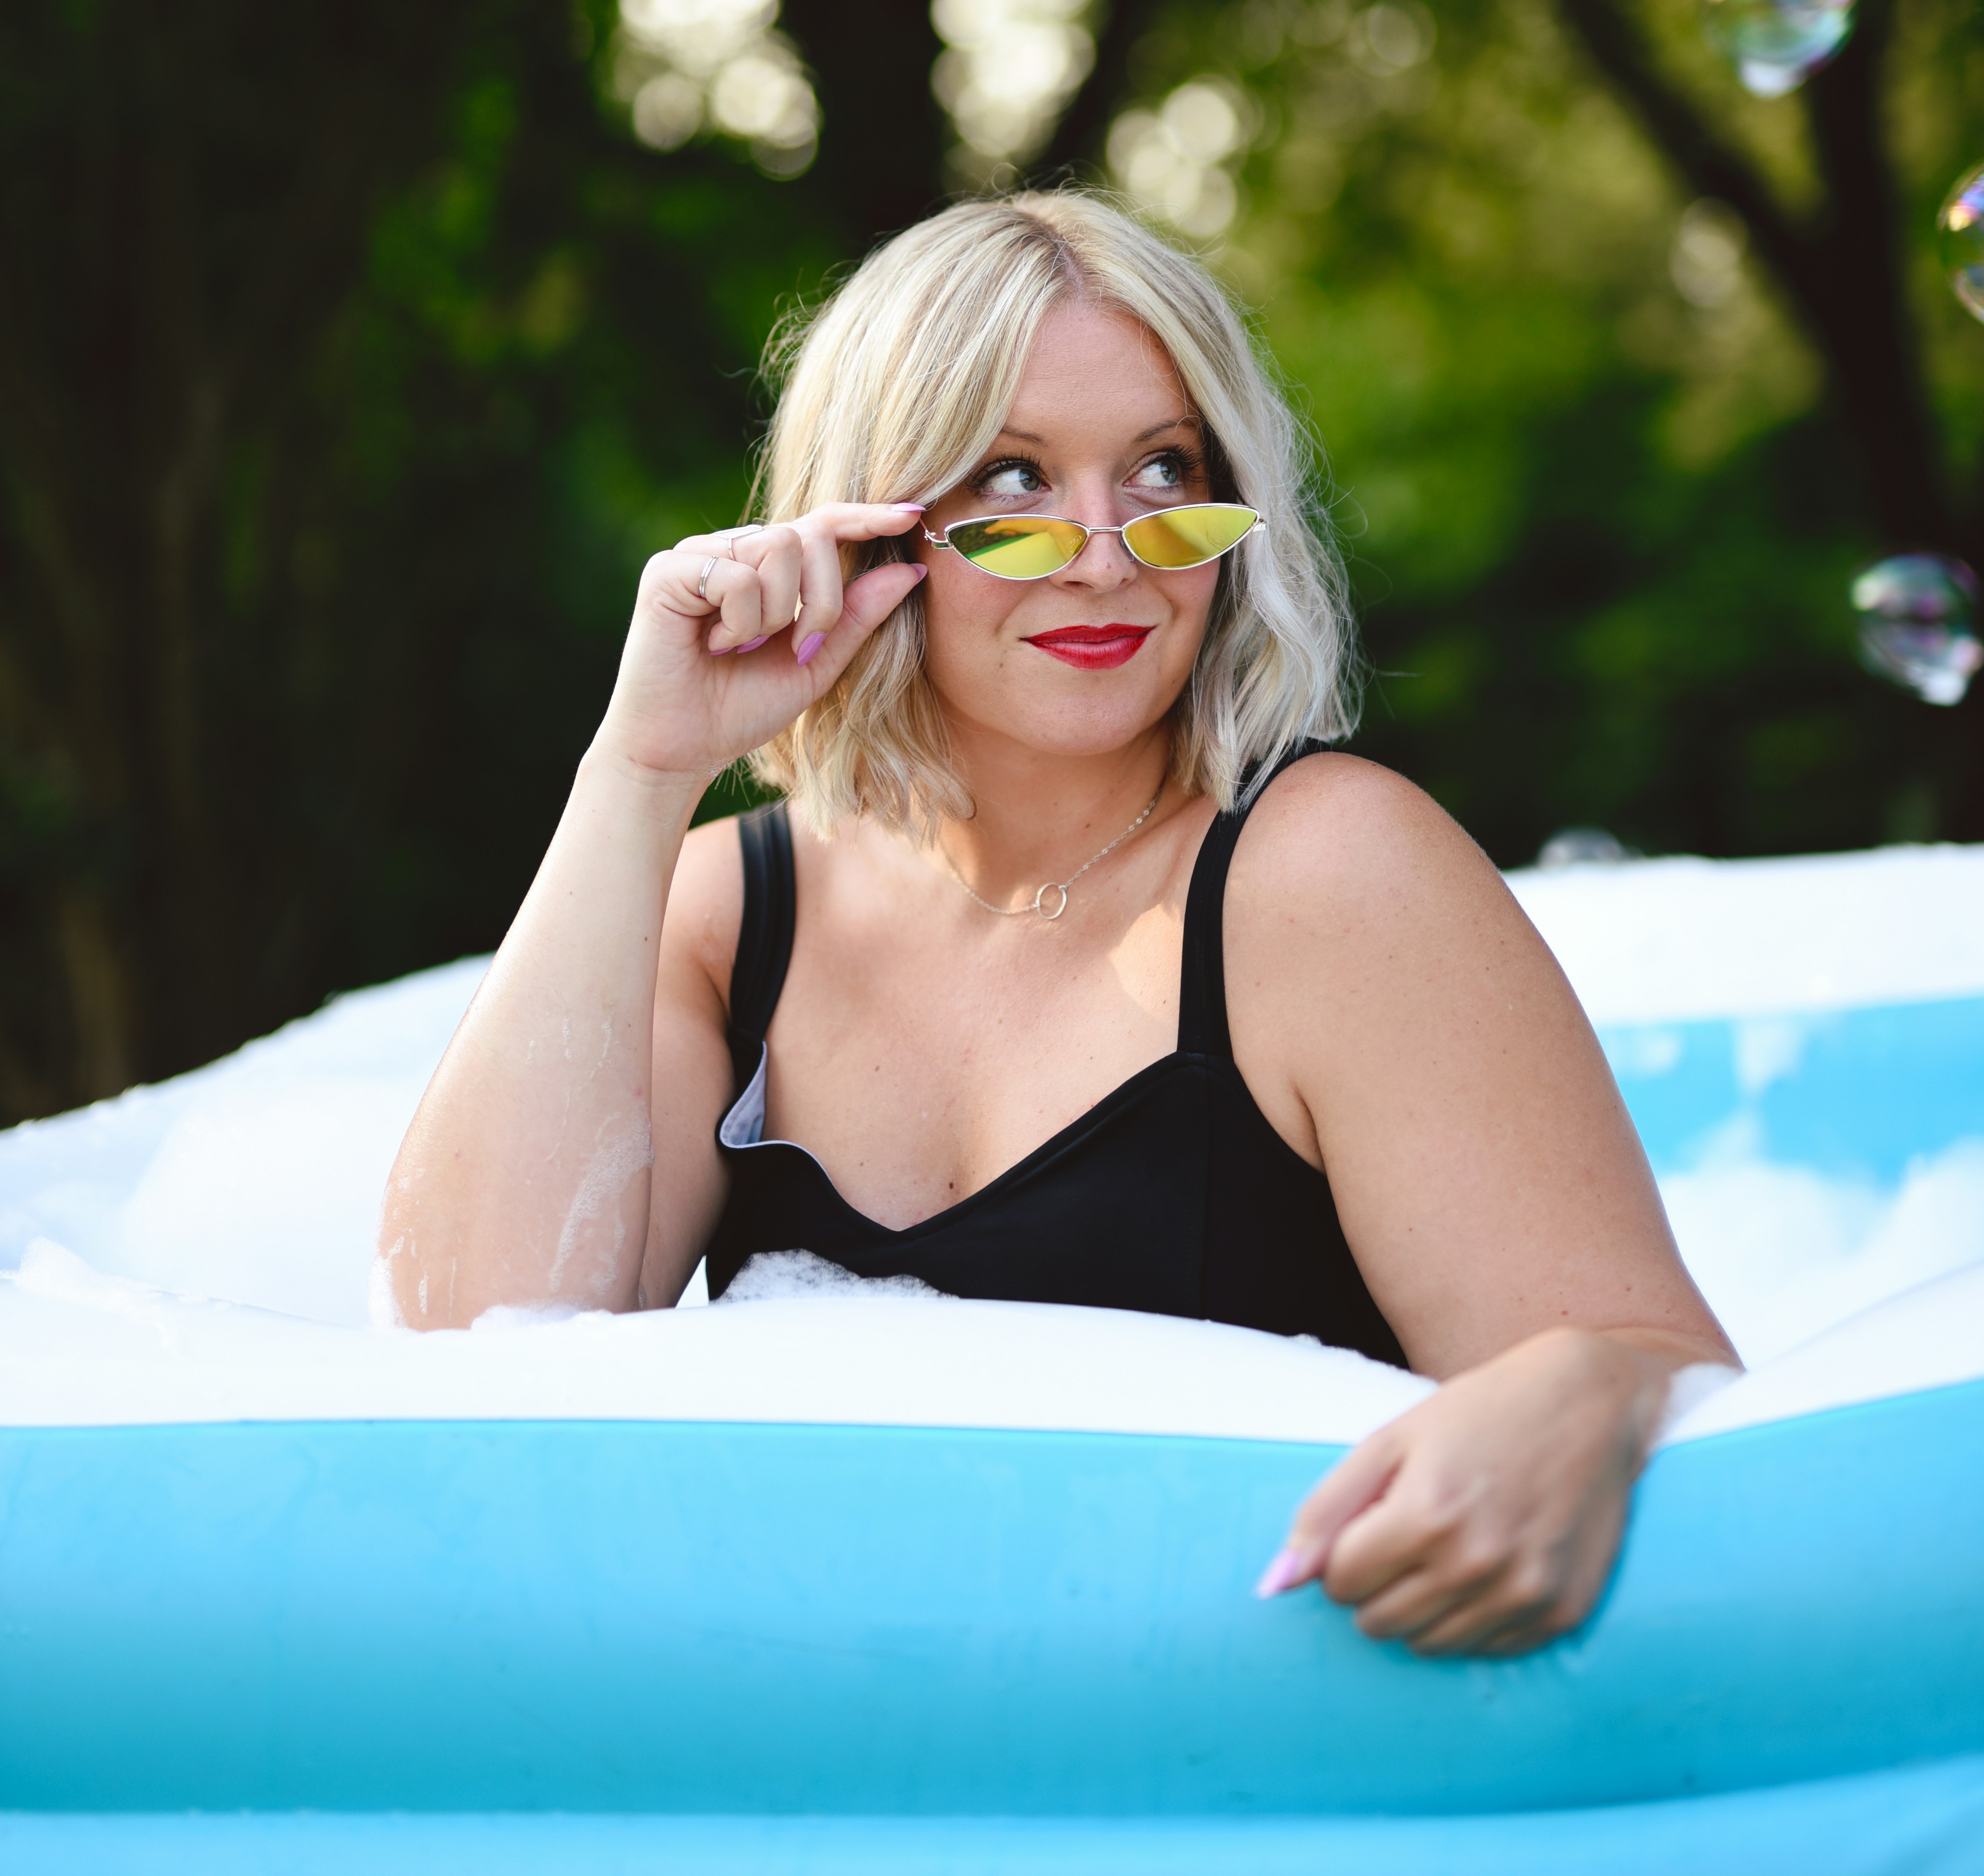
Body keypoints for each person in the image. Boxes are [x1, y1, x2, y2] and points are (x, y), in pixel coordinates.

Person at [380, 190, 1735, 1658]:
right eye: (1012, 482)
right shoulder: (731, 914)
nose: (1107, 552)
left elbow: (1656, 1365)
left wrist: (1590, 1388)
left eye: (1165, 469)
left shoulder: (1327, 874)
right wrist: (642, 772)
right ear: (873, 528)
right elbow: (470, 1363)